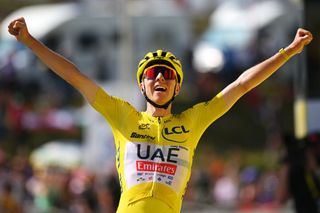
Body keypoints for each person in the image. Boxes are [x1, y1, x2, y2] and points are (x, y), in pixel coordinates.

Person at [8, 17, 313, 213]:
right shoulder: (122, 115)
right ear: (142, 83)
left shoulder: (192, 121)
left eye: (168, 75)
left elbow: (242, 85)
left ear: (177, 86)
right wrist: (29, 41)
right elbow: (74, 76)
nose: (160, 79)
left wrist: (288, 51)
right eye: (152, 74)